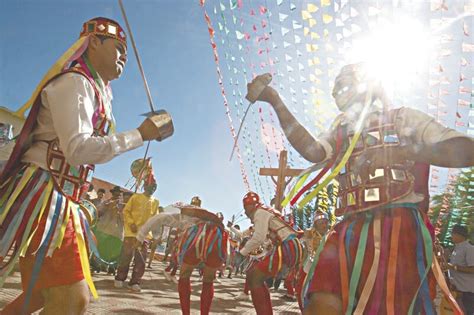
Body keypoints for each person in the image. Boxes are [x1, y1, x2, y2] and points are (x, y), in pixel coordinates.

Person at [247, 65, 474, 314]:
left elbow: (467, 149)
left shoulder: (403, 118)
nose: (336, 92)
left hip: (398, 228)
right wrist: (274, 99)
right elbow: (312, 151)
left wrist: (403, 151)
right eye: (334, 88)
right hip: (347, 230)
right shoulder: (339, 133)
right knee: (320, 303)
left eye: (343, 84)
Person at [0, 17, 172, 315]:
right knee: (73, 299)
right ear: (94, 42)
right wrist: (141, 134)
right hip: (46, 197)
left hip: (60, 199)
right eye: (118, 47)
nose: (123, 57)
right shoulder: (75, 82)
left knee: (40, 296)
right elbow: (78, 150)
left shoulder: (93, 89)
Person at [137, 199, 228, 315]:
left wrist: (140, 237)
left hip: (195, 241)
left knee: (185, 275)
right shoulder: (210, 218)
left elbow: (159, 218)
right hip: (215, 238)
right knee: (208, 280)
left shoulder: (182, 217)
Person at [238, 191, 302, 314]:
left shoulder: (259, 213)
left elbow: (258, 237)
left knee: (254, 278)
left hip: (286, 247)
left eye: (245, 208)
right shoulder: (264, 212)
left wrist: (242, 252)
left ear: (250, 206)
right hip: (288, 246)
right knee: (254, 276)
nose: (245, 212)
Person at [114, 180, 159, 292]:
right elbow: (126, 211)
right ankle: (120, 278)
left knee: (141, 260)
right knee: (126, 256)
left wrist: (153, 234)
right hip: (131, 232)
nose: (152, 189)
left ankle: (135, 281)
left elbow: (155, 218)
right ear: (144, 186)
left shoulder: (155, 202)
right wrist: (131, 223)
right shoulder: (135, 197)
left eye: (154, 187)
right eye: (150, 186)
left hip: (145, 235)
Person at [447, 225, 474, 314]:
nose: (452, 236)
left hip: (466, 293)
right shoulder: (456, 248)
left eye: (453, 233)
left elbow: (472, 269)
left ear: (460, 235)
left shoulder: (469, 249)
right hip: (456, 290)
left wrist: (453, 267)